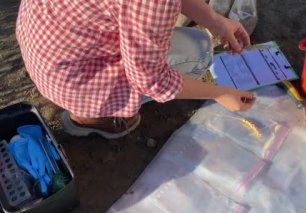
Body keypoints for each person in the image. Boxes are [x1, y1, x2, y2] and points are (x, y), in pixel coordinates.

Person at [16, 0, 255, 139]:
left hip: (43, 43)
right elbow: (151, 80)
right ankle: (94, 118)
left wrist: (216, 21)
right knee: (200, 49)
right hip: (73, 80)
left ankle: (88, 110)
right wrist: (220, 94)